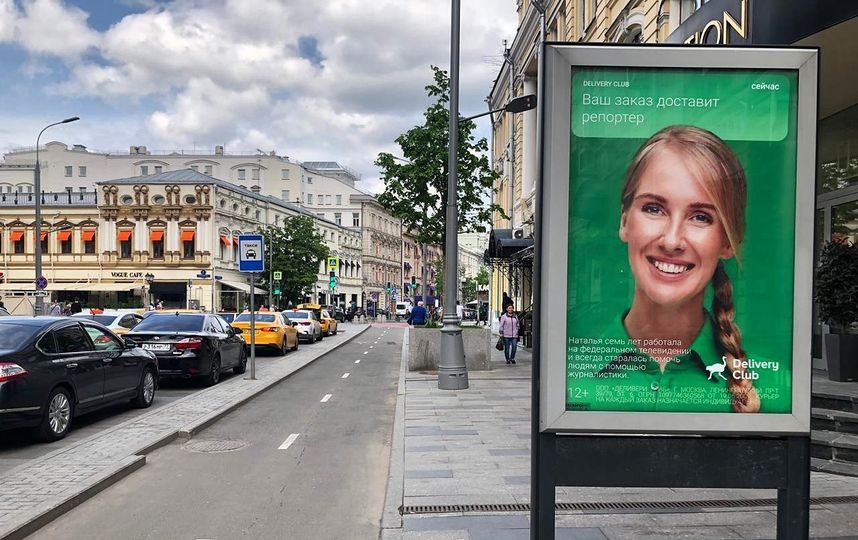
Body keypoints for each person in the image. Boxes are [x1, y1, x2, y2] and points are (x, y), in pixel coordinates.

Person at [601, 124, 759, 413]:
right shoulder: (569, 372)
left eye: (700, 217)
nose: (672, 241)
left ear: (727, 241)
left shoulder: (772, 390)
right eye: (654, 208)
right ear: (624, 222)